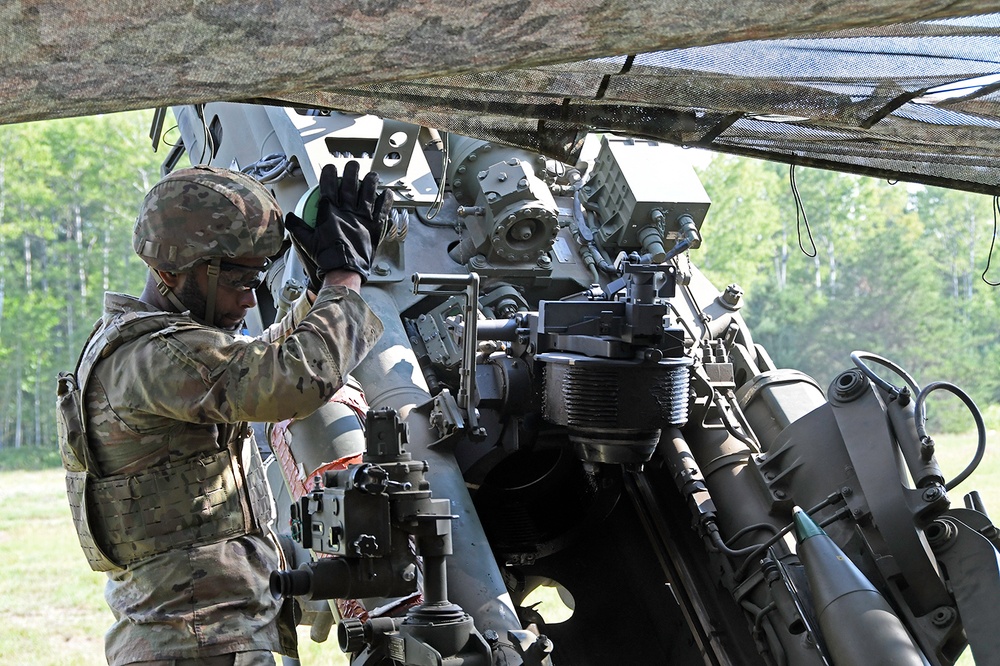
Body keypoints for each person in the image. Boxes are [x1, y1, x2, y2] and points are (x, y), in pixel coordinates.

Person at [56, 161, 392, 666]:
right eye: (236, 279)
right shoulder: (154, 357)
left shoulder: (159, 348)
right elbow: (289, 380)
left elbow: (256, 360)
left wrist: (323, 289)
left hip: (200, 635)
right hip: (198, 640)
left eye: (257, 276)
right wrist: (346, 277)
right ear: (170, 271)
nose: (249, 297)